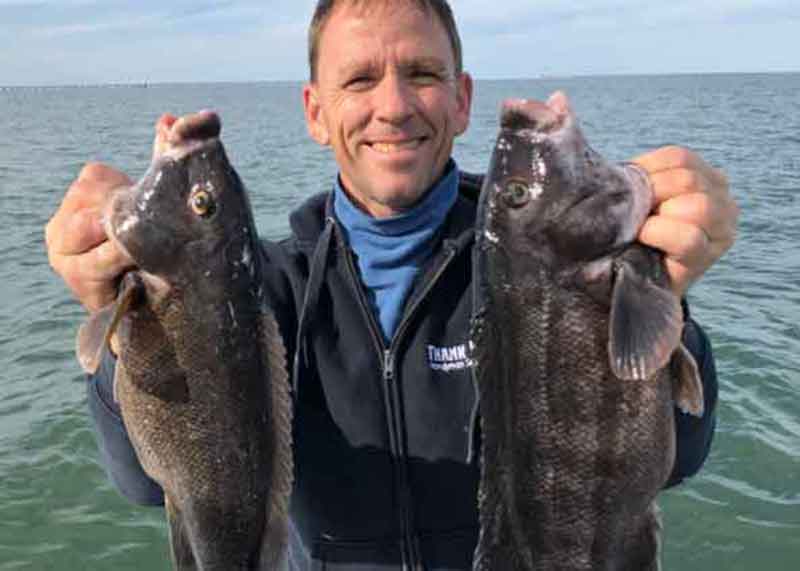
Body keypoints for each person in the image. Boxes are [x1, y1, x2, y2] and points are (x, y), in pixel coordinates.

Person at [45, 0, 739, 569]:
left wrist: (666, 294)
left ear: (463, 101)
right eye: (359, 81)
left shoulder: (539, 276)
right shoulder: (263, 292)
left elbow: (685, 453)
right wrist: (120, 320)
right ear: (315, 112)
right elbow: (143, 481)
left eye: (422, 73)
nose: (394, 105)